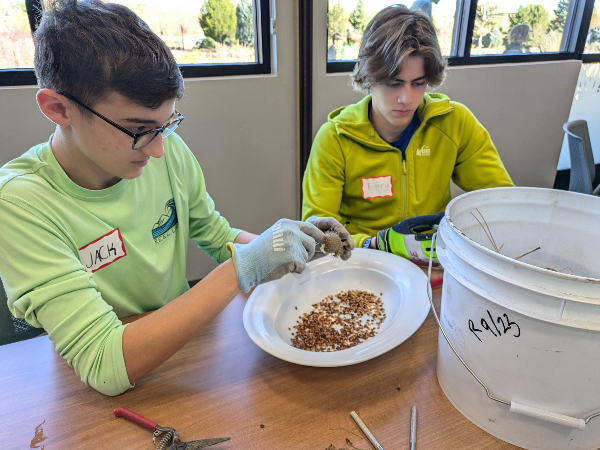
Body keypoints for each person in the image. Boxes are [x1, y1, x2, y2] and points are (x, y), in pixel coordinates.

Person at [0, 0, 353, 396]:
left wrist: (284, 247)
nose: (157, 151)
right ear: (58, 108)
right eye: (138, 129)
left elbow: (213, 232)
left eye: (165, 126)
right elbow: (103, 363)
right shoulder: (19, 205)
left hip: (184, 357)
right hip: (99, 389)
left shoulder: (167, 149)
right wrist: (242, 268)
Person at [302, 5, 513, 265]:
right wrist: (375, 244)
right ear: (369, 76)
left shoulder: (455, 123)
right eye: (394, 83)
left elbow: (504, 205)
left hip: (434, 264)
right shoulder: (334, 139)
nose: (407, 99)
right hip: (362, 264)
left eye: (418, 83)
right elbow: (317, 236)